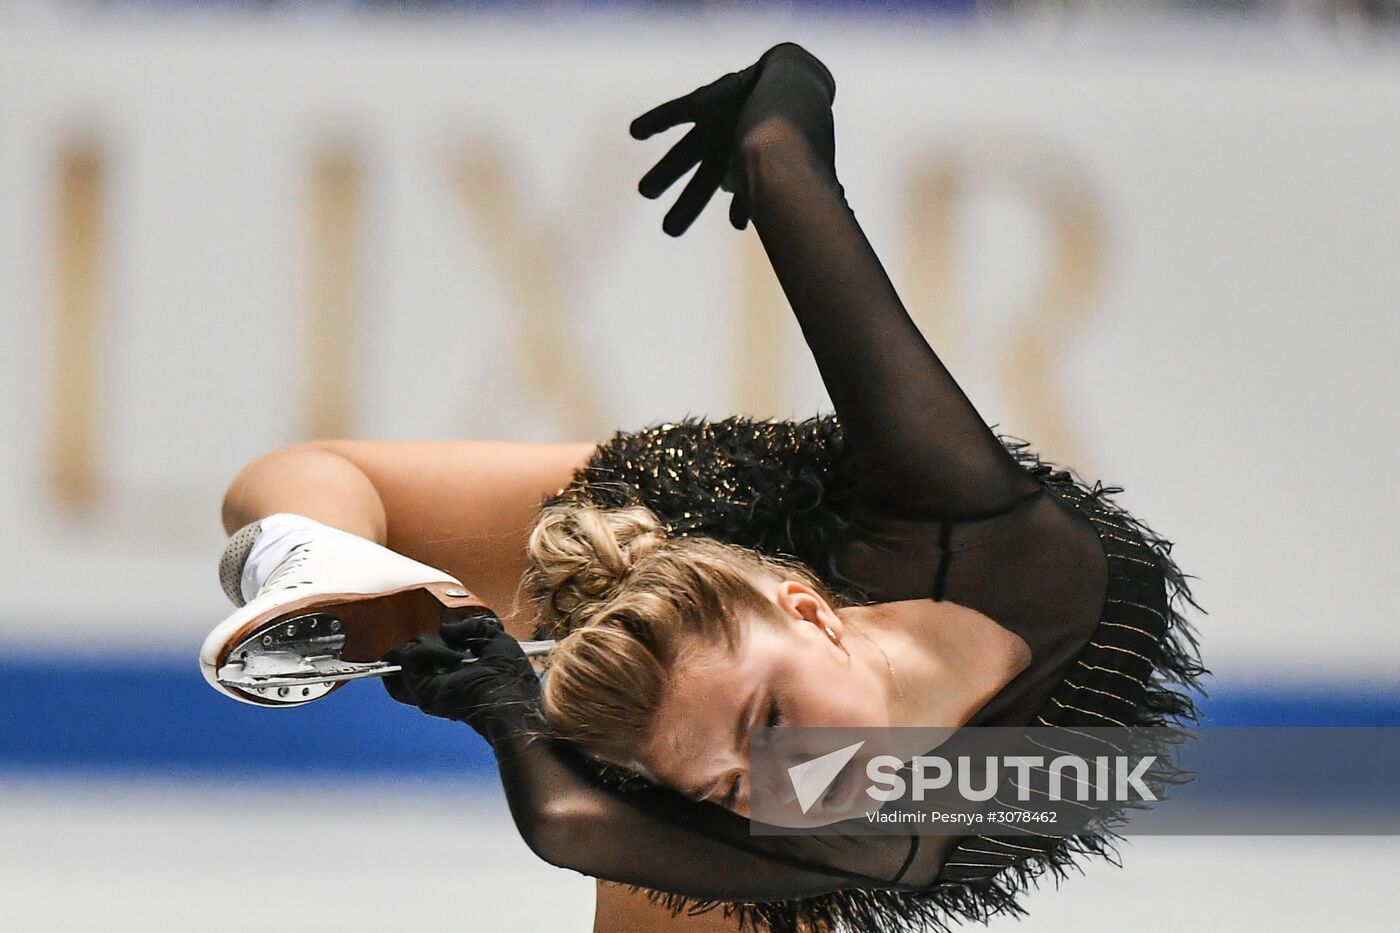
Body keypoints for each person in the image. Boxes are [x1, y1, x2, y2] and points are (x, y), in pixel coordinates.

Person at [206, 43, 1204, 933]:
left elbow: (567, 821)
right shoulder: (930, 516)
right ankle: (315, 554)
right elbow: (782, 141)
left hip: (708, 680)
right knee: (289, 485)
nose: (790, 779)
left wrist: (508, 708)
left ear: (811, 612)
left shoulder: (851, 813)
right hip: (722, 545)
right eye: (764, 734)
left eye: (763, 742)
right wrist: (769, 107)